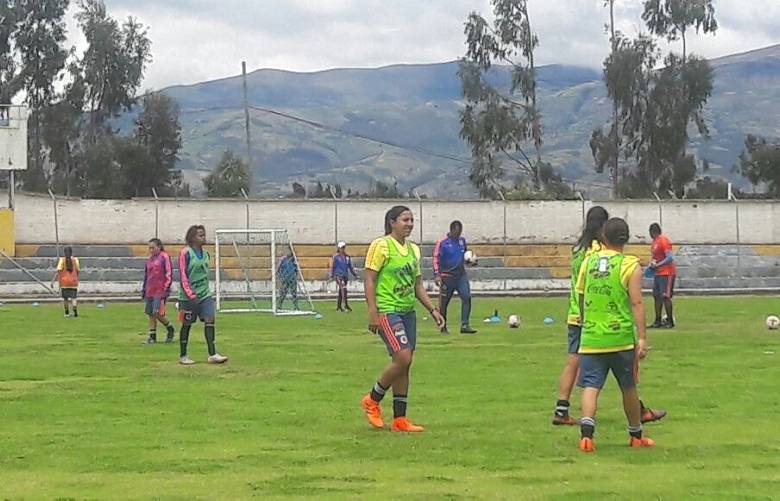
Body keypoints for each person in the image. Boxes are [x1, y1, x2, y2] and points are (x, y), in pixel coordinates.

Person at [553, 207, 666, 426]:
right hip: (598, 318)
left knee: (574, 361)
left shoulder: (577, 249)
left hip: (576, 313)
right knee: (622, 373)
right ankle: (638, 414)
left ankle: (562, 408)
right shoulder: (598, 251)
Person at [360, 205, 445, 432]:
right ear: (392, 222)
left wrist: (432, 310)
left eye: (411, 220)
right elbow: (369, 279)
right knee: (403, 358)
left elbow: (417, 284)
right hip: (388, 310)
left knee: (404, 366)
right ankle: (372, 399)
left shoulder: (414, 250)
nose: (409, 224)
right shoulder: (381, 246)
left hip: (408, 311)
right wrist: (373, 311)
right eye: (405, 220)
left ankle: (400, 419)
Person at [575, 218, 654, 452]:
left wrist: (584, 318)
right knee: (628, 387)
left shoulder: (588, 262)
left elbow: (580, 295)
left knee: (591, 386)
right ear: (626, 239)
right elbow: (637, 303)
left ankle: (587, 436)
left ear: (603, 237)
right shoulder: (630, 266)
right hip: (620, 339)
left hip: (591, 338)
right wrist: (642, 338)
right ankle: (636, 436)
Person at [178, 225, 227, 365]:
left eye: (204, 235)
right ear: (192, 237)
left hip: (204, 294)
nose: (204, 237)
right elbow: (182, 275)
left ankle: (212, 354)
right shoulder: (185, 253)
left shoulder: (206, 254)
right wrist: (189, 293)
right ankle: (183, 355)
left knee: (210, 319)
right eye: (200, 235)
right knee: (187, 324)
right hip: (188, 297)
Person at [433, 220, 476, 335]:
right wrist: (437, 275)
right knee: (444, 303)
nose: (458, 234)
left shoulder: (462, 241)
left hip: (460, 275)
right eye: (456, 232)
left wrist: (471, 262)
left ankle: (465, 325)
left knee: (466, 297)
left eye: (460, 232)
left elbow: (466, 256)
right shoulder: (442, 242)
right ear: (451, 230)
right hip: (447, 276)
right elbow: (436, 258)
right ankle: (443, 326)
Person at [142, 238, 176, 344]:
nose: (151, 250)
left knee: (157, 313)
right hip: (150, 290)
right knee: (150, 314)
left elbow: (168, 273)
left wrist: (166, 288)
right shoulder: (149, 260)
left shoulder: (164, 257)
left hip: (160, 290)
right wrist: (144, 289)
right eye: (149, 248)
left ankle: (170, 328)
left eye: (153, 247)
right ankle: (152, 337)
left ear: (159, 247)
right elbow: (146, 276)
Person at [648, 223, 677, 328]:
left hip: (667, 272)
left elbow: (669, 257)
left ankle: (670, 321)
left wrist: (658, 265)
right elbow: (656, 257)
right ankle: (657, 320)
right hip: (658, 272)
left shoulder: (663, 240)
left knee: (665, 296)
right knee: (656, 296)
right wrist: (652, 264)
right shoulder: (654, 242)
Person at [51, 246, 80, 318]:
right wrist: (75, 278)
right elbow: (78, 270)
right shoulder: (75, 260)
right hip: (73, 282)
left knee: (65, 298)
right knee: (74, 298)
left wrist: (53, 281)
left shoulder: (62, 260)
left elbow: (58, 271)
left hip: (64, 282)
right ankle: (75, 312)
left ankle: (67, 313)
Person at [331, 241, 358, 312]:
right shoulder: (336, 257)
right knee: (343, 289)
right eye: (341, 248)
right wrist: (332, 275)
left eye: (343, 248)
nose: (342, 249)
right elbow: (333, 266)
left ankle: (339, 306)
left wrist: (355, 274)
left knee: (341, 291)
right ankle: (345, 305)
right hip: (338, 275)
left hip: (345, 275)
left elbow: (350, 267)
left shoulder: (347, 257)